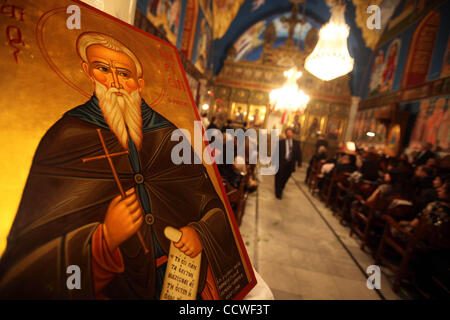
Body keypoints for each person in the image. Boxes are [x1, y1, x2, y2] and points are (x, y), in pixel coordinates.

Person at [0, 32, 246, 299]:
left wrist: (200, 233)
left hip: (183, 282)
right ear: (87, 71)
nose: (115, 82)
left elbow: (212, 205)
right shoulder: (67, 136)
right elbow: (25, 255)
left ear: (139, 83)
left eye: (125, 74)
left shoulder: (168, 135)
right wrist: (103, 240)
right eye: (103, 69)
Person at [274, 128, 302, 199]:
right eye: (287, 133)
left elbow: (299, 153)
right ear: (285, 134)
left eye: (290, 133)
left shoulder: (296, 143)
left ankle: (281, 187)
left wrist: (299, 163)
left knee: (286, 177)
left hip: (290, 163)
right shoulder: (281, 142)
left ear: (292, 133)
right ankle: (278, 192)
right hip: (281, 162)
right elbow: (276, 152)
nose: (289, 134)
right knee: (279, 177)